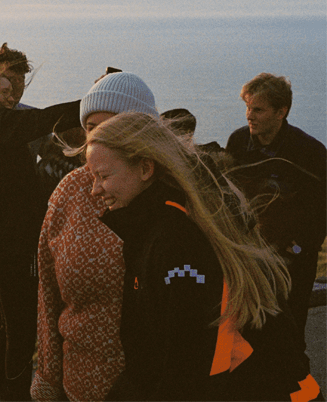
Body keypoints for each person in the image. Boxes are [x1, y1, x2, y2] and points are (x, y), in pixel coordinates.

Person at [86, 111, 320, 401]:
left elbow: (184, 371)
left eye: (103, 176)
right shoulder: (168, 225)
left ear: (146, 168)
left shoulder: (176, 246)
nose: (94, 190)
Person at [32, 71, 158, 402]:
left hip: (158, 386)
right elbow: (47, 291)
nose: (98, 138)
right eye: (91, 128)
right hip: (81, 386)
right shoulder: (70, 192)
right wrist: (47, 374)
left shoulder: (175, 201)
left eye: (112, 127)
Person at [0, 70, 81, 401]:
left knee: (8, 325)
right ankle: (11, 393)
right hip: (12, 245)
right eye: (4, 90)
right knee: (22, 328)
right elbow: (43, 119)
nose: (12, 96)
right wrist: (90, 103)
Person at [226, 73, 327, 338]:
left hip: (293, 263)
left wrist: (295, 250)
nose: (249, 115)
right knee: (249, 335)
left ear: (281, 111)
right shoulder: (237, 143)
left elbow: (321, 212)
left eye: (258, 109)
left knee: (290, 335)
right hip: (248, 257)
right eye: (247, 107)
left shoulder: (311, 152)